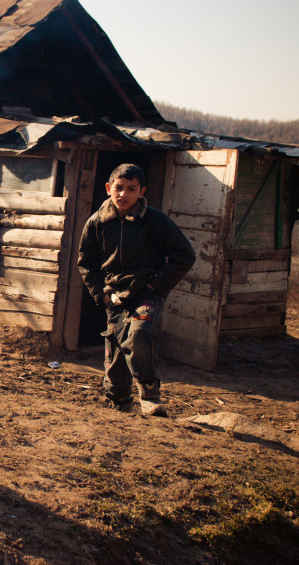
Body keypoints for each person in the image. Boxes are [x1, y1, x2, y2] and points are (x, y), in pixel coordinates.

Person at [77, 163, 195, 417]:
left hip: (146, 292)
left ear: (142, 191)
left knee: (139, 334)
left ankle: (149, 393)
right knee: (117, 346)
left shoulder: (154, 221)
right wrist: (102, 294)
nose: (124, 194)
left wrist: (157, 284)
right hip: (115, 295)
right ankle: (119, 399)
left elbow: (184, 255)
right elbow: (86, 262)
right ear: (109, 188)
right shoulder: (98, 222)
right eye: (119, 188)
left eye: (131, 189)